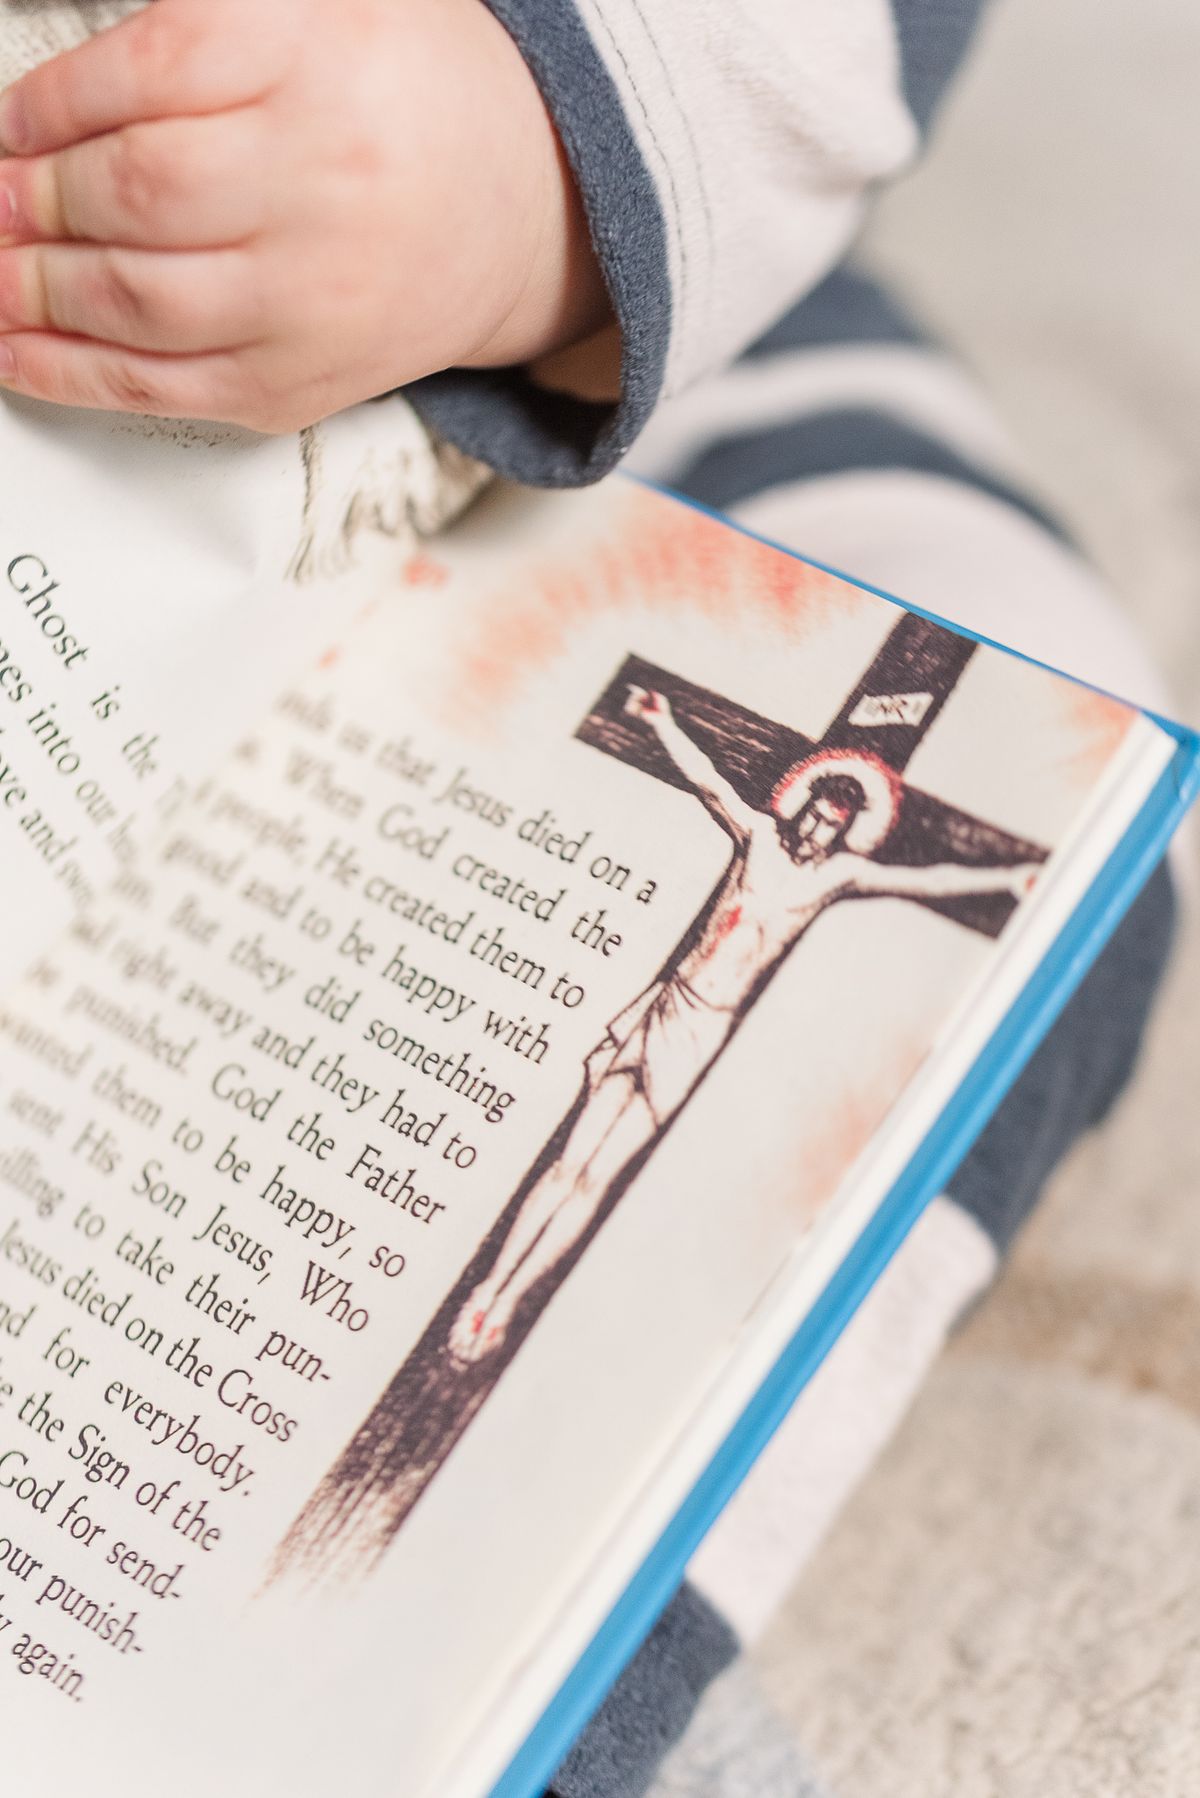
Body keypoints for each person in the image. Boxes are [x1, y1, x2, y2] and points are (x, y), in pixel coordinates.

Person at [0, 5, 1178, 1794]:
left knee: (1039, 744)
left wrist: (532, 162)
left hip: (612, 340)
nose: (824, 807)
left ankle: (496, 1692)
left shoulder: (818, 826)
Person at [449, 685, 1038, 1364]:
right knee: (567, 1165)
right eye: (812, 816)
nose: (814, 831)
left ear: (845, 832)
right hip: (662, 1005)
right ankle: (486, 1290)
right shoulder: (758, 838)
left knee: (597, 1178)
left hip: (699, 1034)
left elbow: (924, 879)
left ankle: (509, 1303)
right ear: (800, 808)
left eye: (829, 826)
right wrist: (663, 721)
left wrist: (1006, 878)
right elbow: (708, 779)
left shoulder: (833, 878)